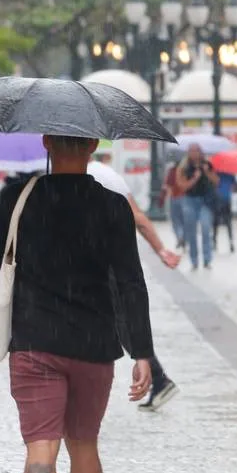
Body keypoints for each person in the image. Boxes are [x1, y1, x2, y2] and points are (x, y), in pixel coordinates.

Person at [0, 136, 154, 473]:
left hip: (34, 342)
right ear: (93, 144)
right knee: (84, 444)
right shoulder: (112, 206)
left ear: (46, 142)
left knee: (41, 448)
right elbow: (131, 281)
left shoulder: (20, 197)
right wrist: (143, 352)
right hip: (94, 345)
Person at [87, 160, 181, 410]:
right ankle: (157, 378)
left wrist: (160, 249)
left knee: (119, 323)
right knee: (116, 322)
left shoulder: (95, 176)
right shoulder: (106, 174)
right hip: (107, 263)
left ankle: (158, 378)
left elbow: (137, 217)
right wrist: (159, 249)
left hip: (105, 264)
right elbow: (137, 214)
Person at [176, 143, 218, 270]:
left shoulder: (208, 165)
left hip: (205, 201)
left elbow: (216, 181)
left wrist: (207, 172)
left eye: (196, 151)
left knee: (206, 228)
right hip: (189, 201)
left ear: (201, 152)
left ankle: (207, 259)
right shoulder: (184, 167)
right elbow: (182, 186)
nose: (194, 153)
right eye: (191, 151)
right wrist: (194, 178)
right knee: (191, 232)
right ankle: (194, 260)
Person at [160, 161, 186, 249]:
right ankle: (183, 236)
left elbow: (167, 184)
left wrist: (163, 198)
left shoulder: (172, 170)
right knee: (184, 221)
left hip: (174, 197)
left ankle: (180, 237)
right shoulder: (186, 170)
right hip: (185, 198)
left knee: (176, 221)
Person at [213, 171, 236, 253]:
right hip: (227, 200)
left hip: (218, 199)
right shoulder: (231, 174)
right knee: (229, 223)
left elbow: (214, 185)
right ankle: (231, 243)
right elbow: (233, 187)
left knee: (215, 223)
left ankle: (214, 243)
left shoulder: (216, 174)